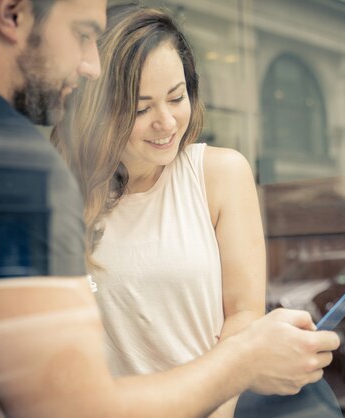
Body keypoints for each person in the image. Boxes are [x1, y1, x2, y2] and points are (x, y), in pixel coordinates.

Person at [0, 1, 340, 418]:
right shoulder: (19, 170)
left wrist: (224, 398)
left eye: (177, 96)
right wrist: (243, 364)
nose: (87, 63)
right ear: (11, 13)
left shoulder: (217, 174)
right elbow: (65, 405)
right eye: (81, 35)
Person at [52, 6, 263, 417]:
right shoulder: (65, 196)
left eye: (176, 97)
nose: (166, 122)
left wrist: (218, 411)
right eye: (141, 107)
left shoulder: (219, 174)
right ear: (100, 109)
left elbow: (244, 314)